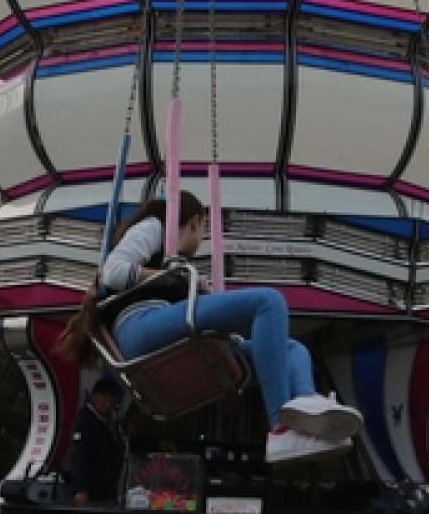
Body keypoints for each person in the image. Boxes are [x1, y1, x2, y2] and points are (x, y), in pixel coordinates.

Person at [58, 192, 362, 464]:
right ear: (193, 223)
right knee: (269, 302)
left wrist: (191, 285)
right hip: (141, 325)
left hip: (164, 331)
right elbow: (113, 272)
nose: (200, 240)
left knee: (293, 349)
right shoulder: (154, 227)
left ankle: (304, 415)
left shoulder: (175, 269)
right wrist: (174, 276)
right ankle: (280, 426)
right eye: (202, 232)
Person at [67, 376, 126, 507]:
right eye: (103, 396)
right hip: (91, 493)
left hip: (109, 491)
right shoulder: (84, 421)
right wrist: (81, 489)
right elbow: (78, 456)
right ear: (94, 396)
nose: (108, 401)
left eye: (111, 397)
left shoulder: (111, 422)